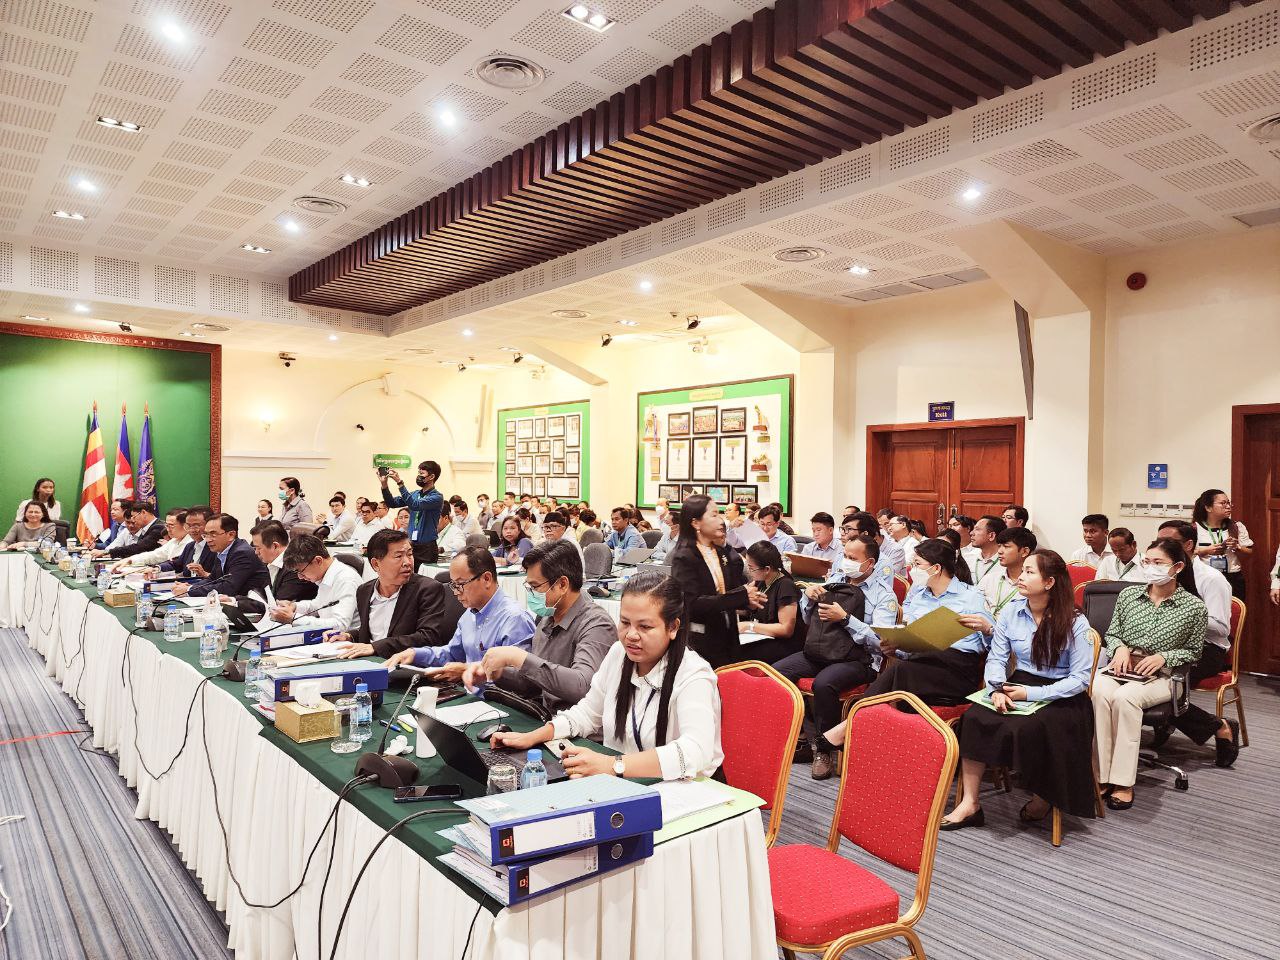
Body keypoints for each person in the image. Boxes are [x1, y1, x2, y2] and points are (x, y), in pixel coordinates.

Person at [491, 571, 723, 781]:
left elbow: (695, 751)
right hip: (625, 783)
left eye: (645, 627)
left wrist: (613, 765)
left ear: (672, 627)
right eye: (625, 622)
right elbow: (588, 713)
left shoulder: (693, 675)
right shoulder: (619, 653)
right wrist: (534, 736)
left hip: (684, 792)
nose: (631, 635)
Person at [941, 549, 1097, 831]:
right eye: (1022, 570)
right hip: (1018, 683)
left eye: (1029, 572)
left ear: (1049, 582)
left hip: (1062, 695)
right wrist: (996, 689)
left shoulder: (1075, 621)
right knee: (974, 718)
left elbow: (1079, 680)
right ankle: (970, 803)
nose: (1020, 577)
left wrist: (1030, 694)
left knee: (1032, 727)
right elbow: (996, 658)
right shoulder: (1012, 611)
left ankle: (1043, 796)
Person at [821, 540, 993, 754]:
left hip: (957, 668)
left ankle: (849, 727)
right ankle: (855, 731)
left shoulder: (971, 596)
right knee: (903, 668)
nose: (912, 569)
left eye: (918, 564)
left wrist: (987, 628)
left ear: (936, 568)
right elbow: (911, 637)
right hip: (920, 660)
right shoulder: (918, 595)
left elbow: (993, 641)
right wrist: (895, 648)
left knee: (901, 671)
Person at [1093, 538, 1207, 810]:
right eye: (1147, 561)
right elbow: (1113, 633)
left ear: (1177, 567)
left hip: (1164, 675)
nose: (1150, 567)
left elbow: (1194, 652)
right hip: (1122, 666)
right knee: (1097, 690)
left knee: (1125, 698)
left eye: (1158, 563)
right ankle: (1100, 775)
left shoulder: (1194, 607)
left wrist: (1164, 657)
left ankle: (1123, 781)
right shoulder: (1128, 596)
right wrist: (1119, 648)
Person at [783, 534, 899, 778]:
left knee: (824, 683)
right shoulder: (834, 581)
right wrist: (808, 599)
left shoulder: (883, 595)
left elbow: (881, 642)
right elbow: (808, 620)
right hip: (821, 650)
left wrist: (845, 619)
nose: (846, 561)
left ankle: (824, 750)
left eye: (852, 558)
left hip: (859, 659)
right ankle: (802, 738)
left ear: (869, 563)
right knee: (777, 673)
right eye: (844, 556)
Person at [462, 539, 615, 714]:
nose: (531, 594)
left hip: (580, 726)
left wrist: (519, 658)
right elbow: (534, 684)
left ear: (562, 584)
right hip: (548, 718)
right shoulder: (547, 618)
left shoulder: (597, 624)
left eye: (535, 587)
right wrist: (498, 673)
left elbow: (583, 686)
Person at [1151, 521, 1239, 764]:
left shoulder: (1211, 579)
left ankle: (1218, 726)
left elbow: (1222, 628)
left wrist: (1185, 616)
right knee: (1135, 674)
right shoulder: (1159, 574)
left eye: (1169, 542)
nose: (1162, 547)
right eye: (1159, 542)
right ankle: (1165, 721)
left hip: (1207, 648)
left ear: (1188, 545)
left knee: (1166, 682)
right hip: (1166, 644)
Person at [386, 545, 535, 681]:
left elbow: (520, 679)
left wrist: (468, 670)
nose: (455, 592)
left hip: (495, 699)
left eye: (460, 584)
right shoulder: (469, 614)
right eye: (453, 585)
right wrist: (414, 654)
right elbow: (452, 653)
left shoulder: (514, 619)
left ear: (486, 579)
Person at [327, 529, 464, 660]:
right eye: (398, 556)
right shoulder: (364, 591)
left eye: (409, 554)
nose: (408, 562)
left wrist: (375, 647)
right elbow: (376, 632)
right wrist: (349, 636)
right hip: (370, 662)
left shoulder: (427, 589)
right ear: (376, 564)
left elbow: (428, 637)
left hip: (406, 666)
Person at [666, 494, 764, 669]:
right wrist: (740, 597)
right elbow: (691, 603)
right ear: (696, 523)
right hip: (701, 639)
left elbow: (725, 593)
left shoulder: (719, 552)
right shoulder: (684, 556)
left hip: (727, 632)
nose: (721, 521)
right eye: (714, 515)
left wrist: (748, 599)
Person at [273, 533, 361, 631]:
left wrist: (293, 618)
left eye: (301, 571)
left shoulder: (346, 580)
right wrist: (294, 606)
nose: (300, 577)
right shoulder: (326, 574)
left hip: (346, 638)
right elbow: (319, 605)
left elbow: (340, 625)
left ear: (318, 561)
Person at [170, 513, 269, 599]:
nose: (208, 540)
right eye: (206, 535)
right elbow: (212, 579)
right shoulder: (222, 550)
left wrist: (189, 590)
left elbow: (228, 588)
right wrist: (190, 587)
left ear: (231, 535)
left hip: (253, 605)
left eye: (213, 534)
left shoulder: (242, 553)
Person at [737, 541, 800, 664]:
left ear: (767, 569)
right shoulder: (760, 581)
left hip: (783, 644)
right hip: (761, 636)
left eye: (751, 568)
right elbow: (749, 608)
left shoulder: (786, 586)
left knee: (737, 653)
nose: (749, 571)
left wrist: (749, 626)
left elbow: (786, 629)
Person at [233, 521, 317, 614]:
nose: (256, 552)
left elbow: (275, 606)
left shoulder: (295, 567)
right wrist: (233, 600)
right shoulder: (268, 563)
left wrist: (236, 604)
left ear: (275, 546)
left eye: (258, 548)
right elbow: (260, 596)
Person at [379, 460, 444, 567]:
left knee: (423, 576)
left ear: (432, 477)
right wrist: (384, 485)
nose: (419, 476)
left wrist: (400, 483)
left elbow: (415, 505)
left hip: (427, 548)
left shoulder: (437, 497)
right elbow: (391, 503)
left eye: (422, 473)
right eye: (418, 473)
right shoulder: (415, 494)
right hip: (411, 545)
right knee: (408, 575)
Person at [1193, 488, 1252, 599]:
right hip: (1205, 577)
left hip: (1232, 577)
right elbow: (1184, 554)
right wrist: (1205, 551)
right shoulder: (1195, 528)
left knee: (1234, 608)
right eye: (1223, 503)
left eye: (1229, 503)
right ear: (1208, 508)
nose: (1228, 506)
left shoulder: (1236, 526)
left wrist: (1237, 547)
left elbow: (1249, 551)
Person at [979, 527, 1037, 619]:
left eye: (1006, 546)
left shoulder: (1035, 585)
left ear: (1024, 551)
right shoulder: (989, 579)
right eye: (999, 546)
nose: (999, 551)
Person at [111, 507, 187, 570]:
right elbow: (155, 555)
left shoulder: (190, 542)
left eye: (171, 525)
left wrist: (157, 568)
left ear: (185, 526)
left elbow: (176, 564)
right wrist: (129, 560)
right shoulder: (174, 541)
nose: (168, 529)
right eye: (167, 525)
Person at [154, 505, 214, 577]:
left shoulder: (215, 547)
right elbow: (177, 564)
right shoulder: (190, 546)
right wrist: (157, 568)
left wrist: (204, 574)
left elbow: (220, 577)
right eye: (188, 526)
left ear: (209, 524)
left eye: (196, 525)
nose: (191, 530)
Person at [94, 500, 164, 560]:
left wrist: (107, 552)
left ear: (143, 513)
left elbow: (139, 547)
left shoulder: (159, 527)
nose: (133, 520)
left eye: (134, 517)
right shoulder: (146, 528)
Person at [968, 515, 1006, 585]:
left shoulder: (1006, 562)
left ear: (991, 536)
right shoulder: (968, 557)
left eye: (977, 529)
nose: (971, 533)